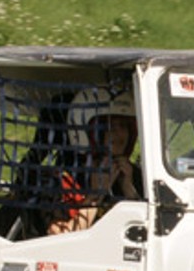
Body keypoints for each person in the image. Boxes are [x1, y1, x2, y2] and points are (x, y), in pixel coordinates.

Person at [49, 89, 140, 234]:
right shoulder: (64, 179)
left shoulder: (136, 175)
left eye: (123, 126)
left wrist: (129, 189)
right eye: (110, 127)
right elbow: (59, 237)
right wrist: (95, 196)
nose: (119, 134)